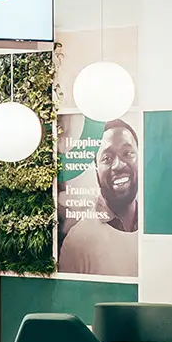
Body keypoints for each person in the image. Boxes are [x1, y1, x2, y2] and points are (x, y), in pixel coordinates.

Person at [59, 119, 140, 277]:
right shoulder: (77, 240)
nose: (119, 165)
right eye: (107, 158)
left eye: (128, 153)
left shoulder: (157, 225)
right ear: (96, 169)